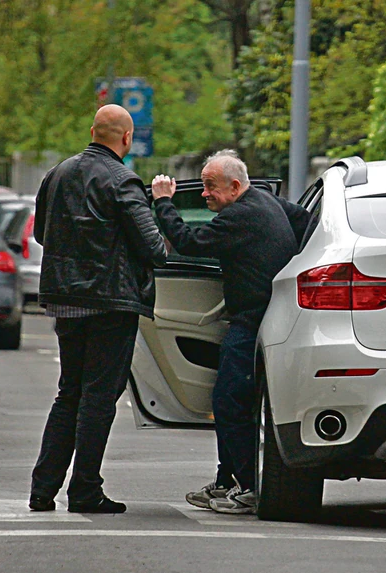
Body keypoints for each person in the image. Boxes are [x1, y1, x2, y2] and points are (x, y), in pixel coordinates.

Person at [151, 150, 308, 515]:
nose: (204, 194)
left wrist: (163, 203)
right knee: (234, 401)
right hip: (266, 315)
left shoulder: (240, 215)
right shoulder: (266, 201)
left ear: (235, 186)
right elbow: (303, 218)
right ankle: (227, 482)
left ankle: (249, 487)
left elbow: (188, 243)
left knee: (229, 402)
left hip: (252, 320)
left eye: (210, 187)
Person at [29, 105, 168, 514]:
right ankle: (85, 489)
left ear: (93, 131)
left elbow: (41, 233)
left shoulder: (57, 174)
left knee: (68, 391)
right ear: (126, 138)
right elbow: (154, 248)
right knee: (98, 397)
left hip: (65, 300)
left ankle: (42, 490)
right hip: (110, 303)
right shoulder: (124, 181)